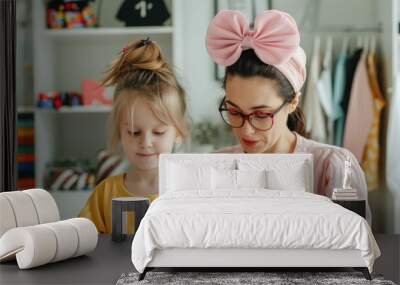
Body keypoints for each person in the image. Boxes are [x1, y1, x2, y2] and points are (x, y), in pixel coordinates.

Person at [206, 10, 370, 222]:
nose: (246, 129)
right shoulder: (216, 165)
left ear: (293, 102)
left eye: (261, 114)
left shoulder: (333, 167)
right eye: (235, 112)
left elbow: (356, 251)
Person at [79, 38, 189, 233]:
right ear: (120, 132)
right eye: (134, 132)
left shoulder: (190, 194)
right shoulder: (105, 195)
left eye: (158, 132)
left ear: (178, 132)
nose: (145, 143)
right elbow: (83, 243)